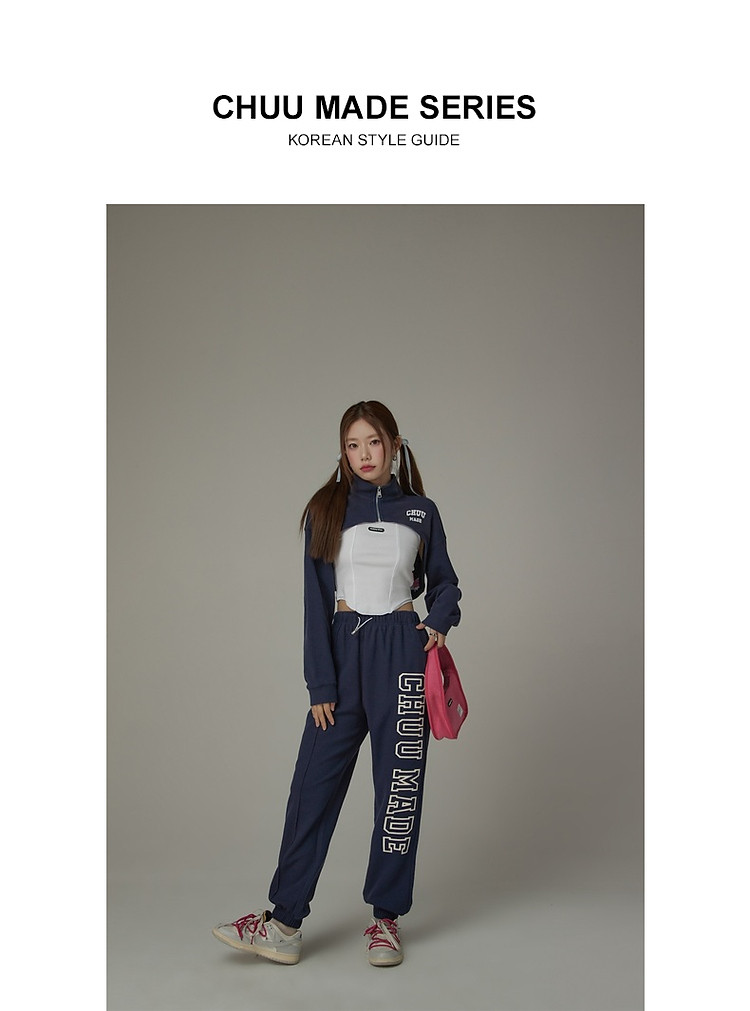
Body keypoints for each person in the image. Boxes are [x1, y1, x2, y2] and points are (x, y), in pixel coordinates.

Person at [212, 400, 461, 966]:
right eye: (353, 445)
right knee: (312, 790)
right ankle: (283, 923)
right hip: (343, 652)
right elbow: (314, 601)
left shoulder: (421, 511)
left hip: (401, 652)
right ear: (343, 452)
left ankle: (385, 921)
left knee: (399, 791)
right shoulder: (327, 510)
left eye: (373, 442)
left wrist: (437, 622)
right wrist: (320, 684)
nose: (364, 454)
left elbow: (445, 583)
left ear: (394, 445)